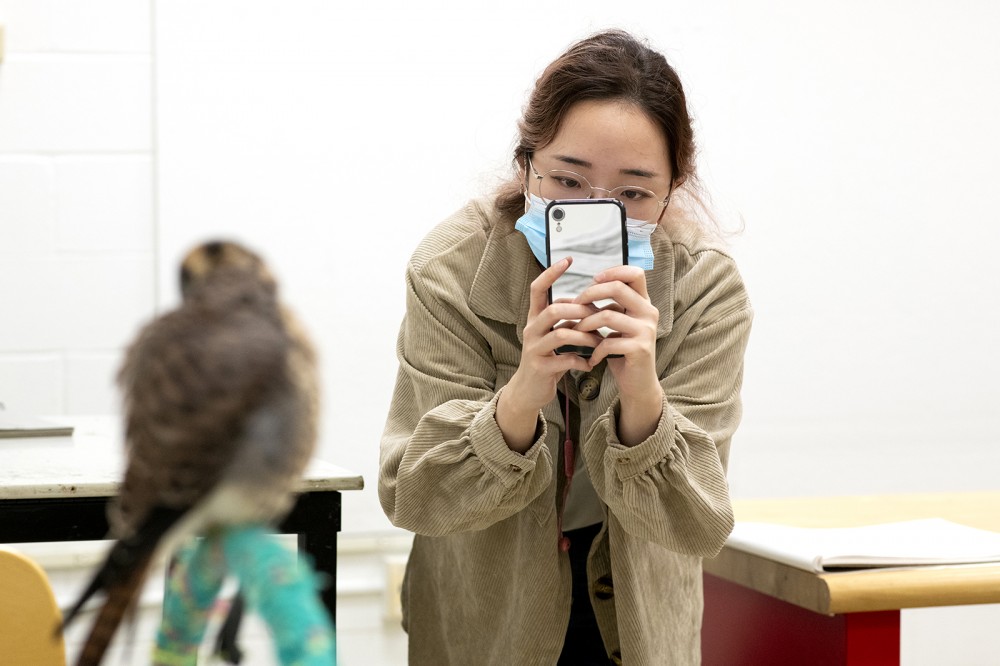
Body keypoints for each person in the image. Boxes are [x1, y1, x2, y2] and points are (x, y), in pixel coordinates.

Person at [379, 29, 752, 666]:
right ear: (526, 166)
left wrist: (643, 399)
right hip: (487, 627)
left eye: (633, 193)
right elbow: (418, 497)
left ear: (671, 191)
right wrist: (523, 391)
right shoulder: (452, 269)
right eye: (567, 181)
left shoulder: (702, 286)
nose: (595, 210)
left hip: (641, 627)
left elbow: (698, 524)